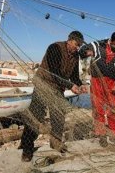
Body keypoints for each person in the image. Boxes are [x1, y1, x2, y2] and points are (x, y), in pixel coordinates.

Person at [20, 31, 87, 162]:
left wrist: (79, 85)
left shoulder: (76, 56)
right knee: (35, 116)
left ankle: (55, 143)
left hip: (57, 88)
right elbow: (54, 72)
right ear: (69, 40)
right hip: (43, 85)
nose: (78, 47)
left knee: (59, 116)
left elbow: (73, 76)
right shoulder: (55, 48)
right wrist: (70, 85)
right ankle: (27, 149)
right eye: (76, 44)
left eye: (79, 45)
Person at [79, 31, 115, 147]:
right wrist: (87, 52)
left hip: (112, 84)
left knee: (114, 109)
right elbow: (81, 51)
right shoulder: (97, 45)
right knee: (98, 109)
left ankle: (114, 135)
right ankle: (101, 134)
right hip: (96, 81)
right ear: (111, 40)